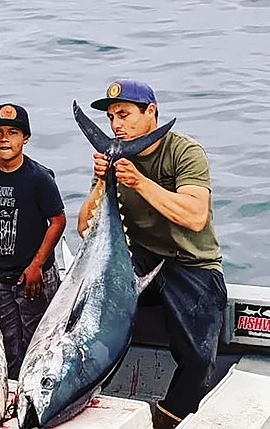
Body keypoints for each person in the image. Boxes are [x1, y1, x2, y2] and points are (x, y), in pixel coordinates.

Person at [77, 79, 226, 429]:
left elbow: (194, 215)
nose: (116, 125)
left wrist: (138, 182)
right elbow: (85, 229)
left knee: (199, 359)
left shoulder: (184, 151)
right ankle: (84, 393)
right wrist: (103, 180)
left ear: (151, 112)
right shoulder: (114, 157)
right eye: (112, 117)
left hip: (191, 263)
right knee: (89, 314)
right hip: (140, 259)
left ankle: (165, 419)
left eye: (125, 115)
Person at [0, 103, 66, 380]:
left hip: (34, 279)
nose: (4, 139)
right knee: (7, 342)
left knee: (41, 343)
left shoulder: (39, 178)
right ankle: (11, 393)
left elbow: (58, 221)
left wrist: (37, 265)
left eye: (13, 132)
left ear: (25, 139)